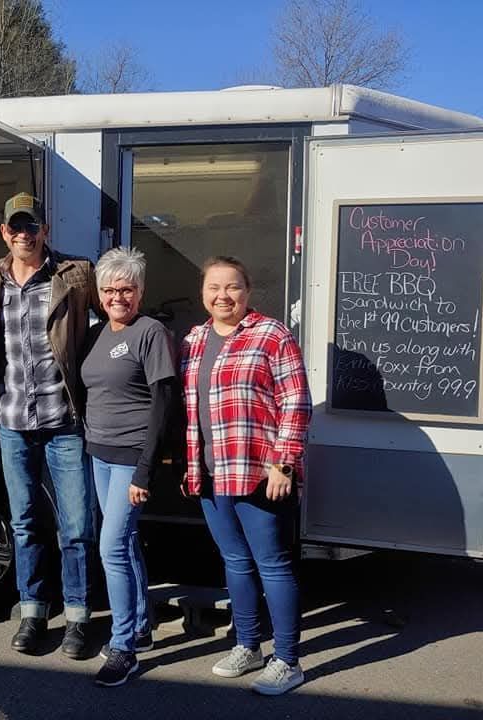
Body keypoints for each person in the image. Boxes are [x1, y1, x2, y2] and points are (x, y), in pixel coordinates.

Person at [181, 255, 312, 695]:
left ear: (247, 291)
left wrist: (284, 462)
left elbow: (296, 402)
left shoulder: (271, 335)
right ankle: (247, 645)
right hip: (210, 474)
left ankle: (289, 660)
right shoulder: (195, 339)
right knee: (235, 562)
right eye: (214, 287)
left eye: (232, 287)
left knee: (272, 565)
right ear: (203, 293)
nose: (223, 296)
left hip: (260, 472)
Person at [0, 192, 101, 659]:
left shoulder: (74, 273)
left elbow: (111, 313)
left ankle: (77, 617)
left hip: (64, 420)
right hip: (13, 421)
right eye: (17, 227)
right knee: (26, 522)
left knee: (76, 525)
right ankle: (32, 611)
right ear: (5, 233)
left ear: (45, 231)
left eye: (33, 226)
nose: (25, 234)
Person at [80, 247, 177, 687]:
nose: (118, 296)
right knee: (126, 541)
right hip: (99, 453)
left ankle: (124, 648)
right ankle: (139, 624)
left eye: (127, 288)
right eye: (110, 289)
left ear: (140, 291)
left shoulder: (150, 331)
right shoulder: (97, 333)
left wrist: (145, 470)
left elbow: (163, 402)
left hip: (130, 459)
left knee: (111, 548)